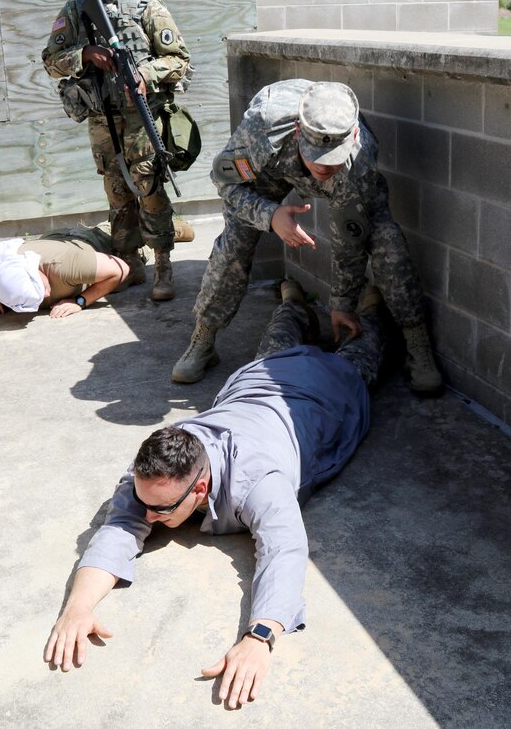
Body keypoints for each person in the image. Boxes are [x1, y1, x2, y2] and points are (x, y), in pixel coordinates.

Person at [45, 281, 386, 708]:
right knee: (276, 343)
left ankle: (370, 310)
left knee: (363, 350)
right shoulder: (156, 469)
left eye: (161, 509)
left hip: (325, 390)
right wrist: (77, 607)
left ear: (200, 488)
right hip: (262, 376)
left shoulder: (258, 479)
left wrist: (260, 637)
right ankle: (295, 306)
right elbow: (119, 526)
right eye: (145, 502)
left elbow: (284, 550)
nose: (147, 516)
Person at [171, 79, 442, 396]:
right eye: (316, 154)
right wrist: (270, 215)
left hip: (349, 183)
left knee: (387, 242)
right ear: (300, 132)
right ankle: (203, 339)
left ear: (353, 137)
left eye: (333, 156)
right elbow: (224, 182)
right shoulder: (263, 127)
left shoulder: (360, 157)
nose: (323, 165)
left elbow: (349, 238)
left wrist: (341, 304)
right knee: (235, 242)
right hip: (272, 167)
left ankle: (417, 344)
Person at [42, 0, 192, 302]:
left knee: (149, 185)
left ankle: (163, 263)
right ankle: (128, 260)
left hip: (142, 115)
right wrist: (86, 54)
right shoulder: (78, 8)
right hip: (102, 116)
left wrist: (145, 75)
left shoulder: (146, 4)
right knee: (116, 189)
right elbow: (51, 62)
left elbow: (179, 59)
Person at [0, 226, 130, 318]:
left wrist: (81, 301)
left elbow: (121, 269)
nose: (46, 295)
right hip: (49, 239)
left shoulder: (64, 265)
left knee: (133, 270)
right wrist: (5, 297)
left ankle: (107, 228)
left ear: (35, 270)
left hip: (89, 240)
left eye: (41, 286)